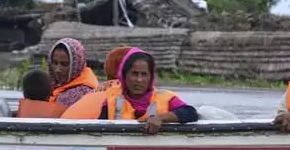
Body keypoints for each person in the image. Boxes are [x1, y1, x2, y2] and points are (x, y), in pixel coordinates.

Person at [61, 48, 199, 134]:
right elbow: (100, 130)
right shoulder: (111, 102)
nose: (139, 80)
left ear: (151, 77)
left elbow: (190, 113)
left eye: (144, 74)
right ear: (123, 75)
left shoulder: (165, 97)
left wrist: (160, 119)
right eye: (134, 74)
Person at [48, 38, 99, 108]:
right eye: (55, 63)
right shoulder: (50, 84)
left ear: (77, 64)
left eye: (64, 64)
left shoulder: (81, 94)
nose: (58, 69)